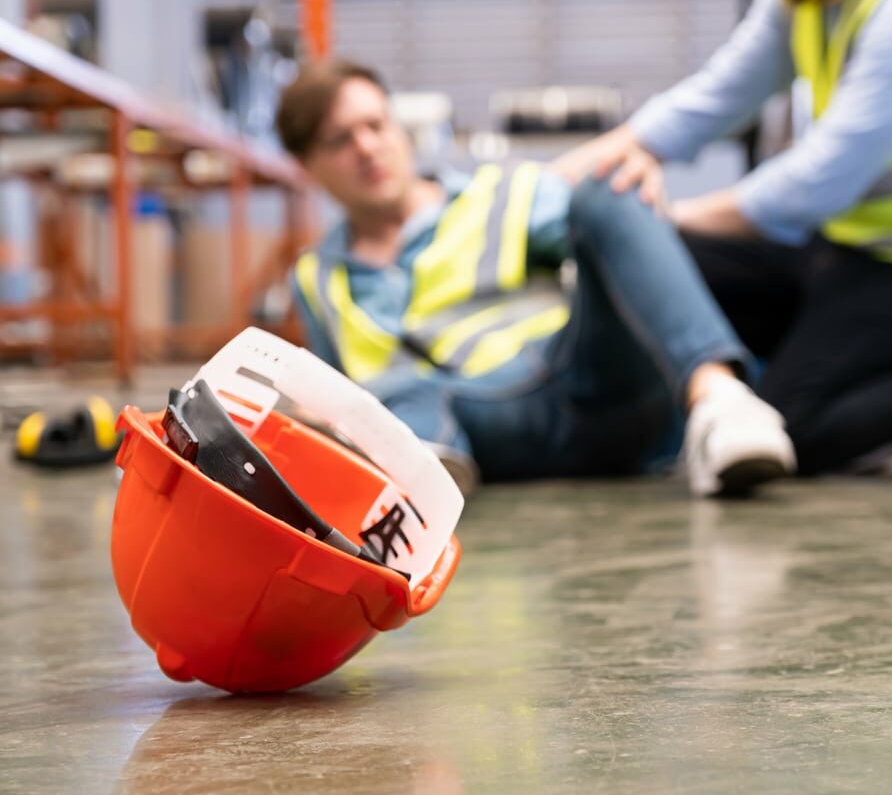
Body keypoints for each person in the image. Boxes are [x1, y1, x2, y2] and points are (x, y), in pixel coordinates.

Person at [275, 59, 795, 497]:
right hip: (472, 428)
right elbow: (335, 396)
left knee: (611, 185)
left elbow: (616, 231)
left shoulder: (503, 193)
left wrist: (634, 201)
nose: (368, 148)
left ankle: (719, 403)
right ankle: (423, 491)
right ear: (307, 166)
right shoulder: (315, 279)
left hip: (583, 375)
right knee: (401, 394)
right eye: (341, 140)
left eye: (376, 125)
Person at [576, 0, 892, 475]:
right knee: (664, 269)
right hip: (835, 247)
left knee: (790, 433)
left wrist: (663, 218)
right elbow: (707, 102)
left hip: (881, 264)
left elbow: (817, 182)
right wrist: (536, 188)